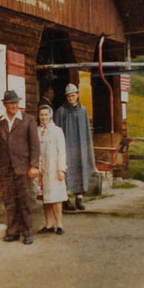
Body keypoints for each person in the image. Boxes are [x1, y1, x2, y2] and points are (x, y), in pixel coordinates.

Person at [0, 90, 40, 245]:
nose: (14, 105)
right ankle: (13, 232)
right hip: (5, 169)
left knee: (25, 201)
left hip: (23, 167)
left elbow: (35, 145)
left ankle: (27, 232)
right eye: (11, 103)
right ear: (4, 104)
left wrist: (33, 165)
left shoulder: (28, 120)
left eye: (16, 102)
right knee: (9, 201)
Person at [54, 83, 97, 211]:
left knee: (80, 169)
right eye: (68, 96)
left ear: (77, 95)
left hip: (79, 147)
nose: (71, 98)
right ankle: (65, 200)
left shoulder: (83, 110)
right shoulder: (61, 111)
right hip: (66, 147)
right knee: (65, 171)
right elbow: (57, 130)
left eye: (73, 95)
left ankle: (79, 199)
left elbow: (86, 131)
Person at [37, 105, 67, 235]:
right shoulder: (37, 131)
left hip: (54, 168)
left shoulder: (57, 131)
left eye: (46, 114)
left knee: (56, 197)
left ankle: (59, 224)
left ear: (50, 115)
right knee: (46, 197)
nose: (44, 117)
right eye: (41, 115)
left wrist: (61, 169)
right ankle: (49, 224)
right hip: (41, 168)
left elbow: (62, 151)